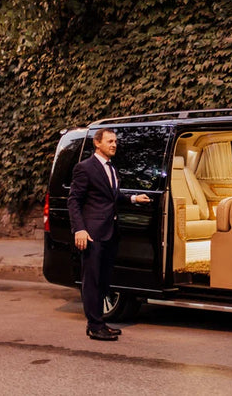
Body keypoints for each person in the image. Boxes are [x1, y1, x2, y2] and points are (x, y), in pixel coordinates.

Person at [67, 128, 151, 341]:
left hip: (110, 233)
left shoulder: (111, 168)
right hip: (92, 234)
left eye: (115, 141)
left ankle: (99, 322)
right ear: (98, 143)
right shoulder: (84, 168)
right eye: (110, 141)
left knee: (104, 281)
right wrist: (80, 229)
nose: (114, 144)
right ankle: (94, 326)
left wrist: (132, 199)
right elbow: (74, 201)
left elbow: (111, 197)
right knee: (92, 281)